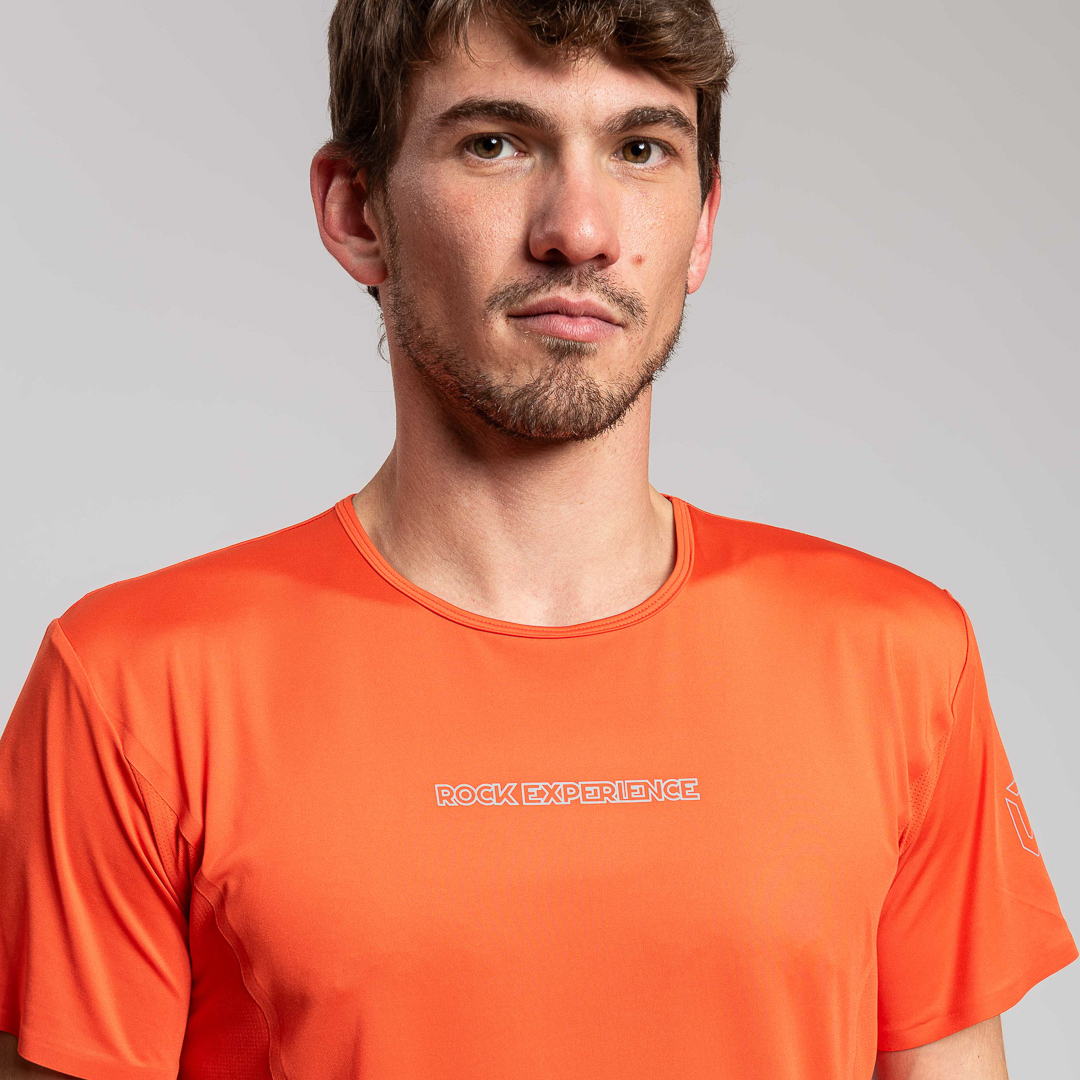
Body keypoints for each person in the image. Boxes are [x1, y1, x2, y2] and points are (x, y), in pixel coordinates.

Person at [0, 0, 1075, 1077]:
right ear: (357, 211)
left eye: (641, 149)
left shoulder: (897, 660)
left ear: (702, 225)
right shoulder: (132, 689)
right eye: (496, 143)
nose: (580, 231)